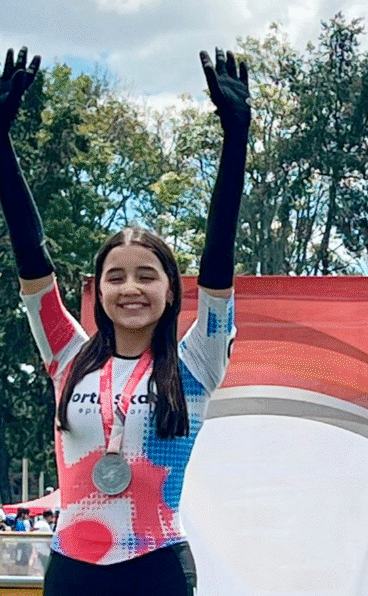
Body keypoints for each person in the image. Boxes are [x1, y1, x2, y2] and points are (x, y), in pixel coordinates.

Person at [0, 47, 248, 596]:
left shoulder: (197, 362)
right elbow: (31, 257)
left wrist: (236, 141)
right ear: (99, 289)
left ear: (170, 290)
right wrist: (0, 144)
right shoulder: (67, 355)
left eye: (146, 276)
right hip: (72, 568)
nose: (130, 288)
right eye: (115, 277)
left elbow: (218, 259)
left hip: (156, 565)